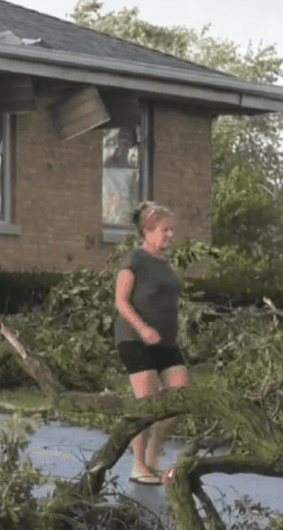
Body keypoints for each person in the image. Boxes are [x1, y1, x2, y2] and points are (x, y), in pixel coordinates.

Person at [114, 201, 187, 485]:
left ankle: (153, 458)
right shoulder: (134, 259)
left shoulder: (163, 264)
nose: (170, 234)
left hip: (165, 343)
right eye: (165, 230)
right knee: (146, 405)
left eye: (171, 230)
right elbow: (121, 301)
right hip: (135, 339)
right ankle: (138, 465)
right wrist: (144, 329)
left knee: (178, 398)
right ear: (148, 230)